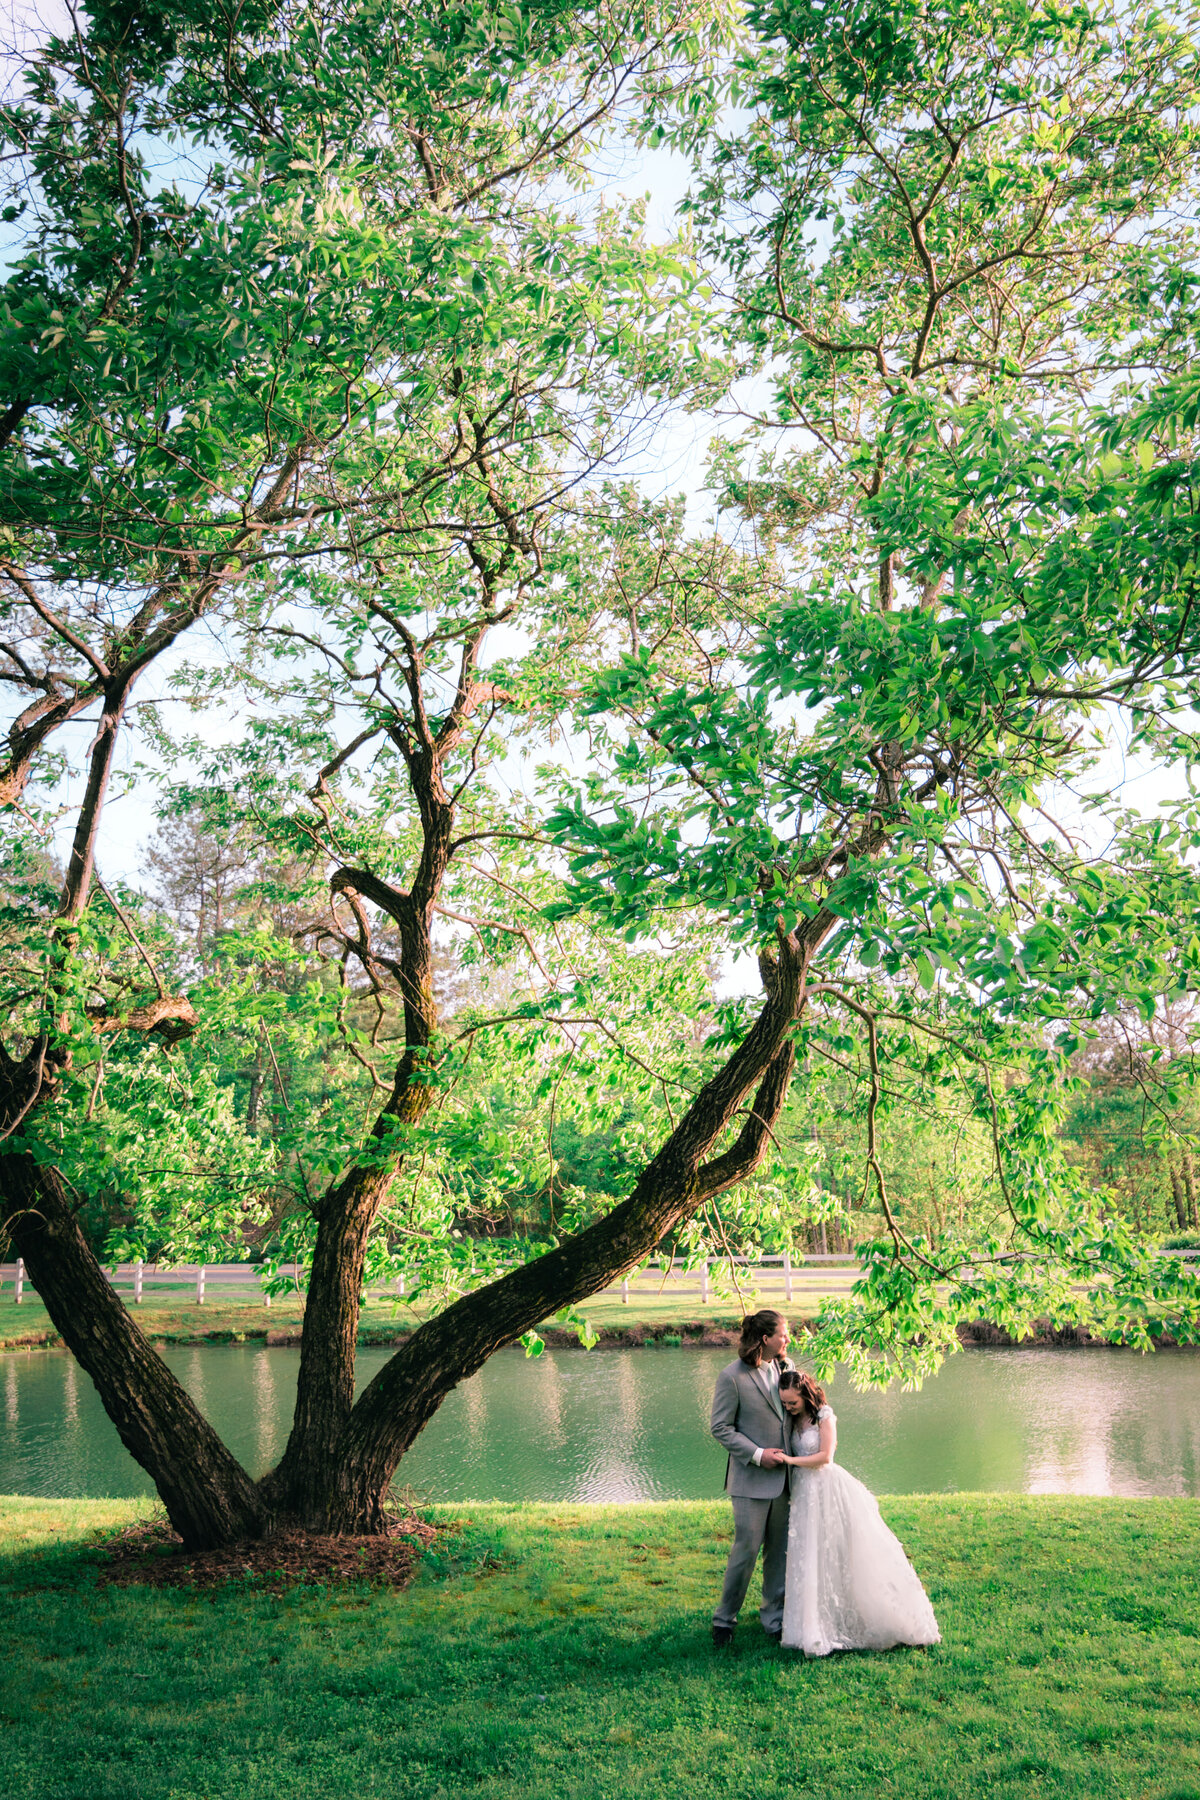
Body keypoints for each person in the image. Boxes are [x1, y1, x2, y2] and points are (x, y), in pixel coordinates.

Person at [778, 1371, 941, 1657]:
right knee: (809, 1554)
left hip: (826, 1489)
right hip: (804, 1493)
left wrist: (790, 1460)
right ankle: (808, 1624)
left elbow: (826, 1456)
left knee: (835, 1553)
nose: (788, 1407)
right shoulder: (792, 1419)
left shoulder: (825, 1416)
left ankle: (851, 1616)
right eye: (785, 1403)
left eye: (792, 1402)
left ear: (804, 1395)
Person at [709, 1309, 804, 1646]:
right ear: (766, 1339)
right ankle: (724, 1620)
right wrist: (758, 1454)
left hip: (786, 1480)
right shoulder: (731, 1377)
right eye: (783, 1334)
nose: (788, 1339)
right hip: (750, 1480)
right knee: (745, 1551)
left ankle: (773, 1618)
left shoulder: (786, 1368)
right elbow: (720, 1427)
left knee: (779, 1552)